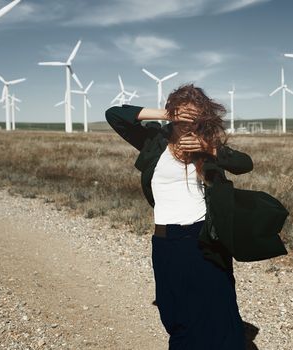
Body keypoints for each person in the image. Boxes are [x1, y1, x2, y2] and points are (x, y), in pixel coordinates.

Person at [105, 84, 249, 349]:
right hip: (166, 240)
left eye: (194, 118)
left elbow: (244, 164)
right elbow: (114, 114)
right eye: (182, 117)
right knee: (174, 312)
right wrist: (166, 114)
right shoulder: (153, 140)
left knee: (219, 308)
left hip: (204, 236)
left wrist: (209, 148)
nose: (187, 124)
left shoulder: (206, 143)